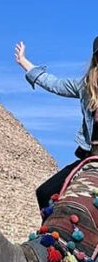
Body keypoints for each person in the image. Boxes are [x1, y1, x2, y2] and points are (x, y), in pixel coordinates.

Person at [15, 37, 98, 210]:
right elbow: (54, 84)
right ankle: (50, 236)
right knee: (45, 193)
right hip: (91, 157)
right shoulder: (85, 87)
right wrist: (24, 63)